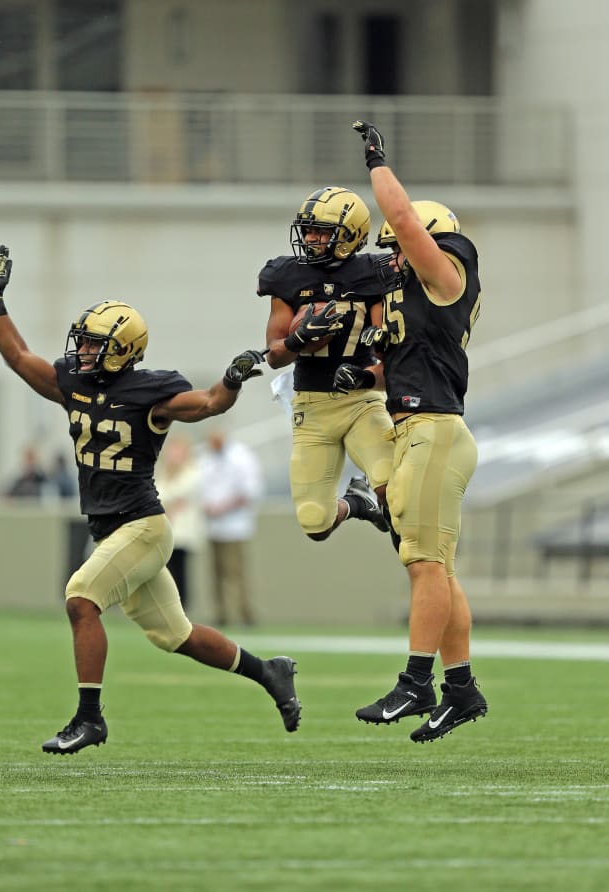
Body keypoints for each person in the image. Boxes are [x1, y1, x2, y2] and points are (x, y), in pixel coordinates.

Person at [0, 244, 301, 754]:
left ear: (124, 350)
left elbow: (211, 403)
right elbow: (19, 357)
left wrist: (233, 379)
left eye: (94, 344)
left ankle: (89, 719)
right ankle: (270, 672)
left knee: (81, 599)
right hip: (112, 529)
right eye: (81, 342)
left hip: (143, 527)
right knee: (177, 636)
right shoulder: (75, 383)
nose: (82, 351)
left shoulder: (152, 393)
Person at [335, 121, 486, 743]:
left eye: (400, 243)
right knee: (439, 571)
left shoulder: (448, 274)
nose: (392, 254)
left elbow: (399, 215)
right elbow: (396, 368)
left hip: (435, 430)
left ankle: (416, 681)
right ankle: (461, 690)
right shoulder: (413, 305)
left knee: (424, 564)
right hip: (416, 426)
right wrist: (361, 376)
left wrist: (376, 163)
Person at [257, 185, 397, 546]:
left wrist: (365, 377)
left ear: (352, 236)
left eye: (322, 231)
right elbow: (274, 356)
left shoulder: (373, 274)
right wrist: (297, 341)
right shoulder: (287, 276)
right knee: (315, 522)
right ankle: (356, 503)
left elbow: (391, 362)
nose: (311, 238)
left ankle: (413, 546)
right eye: (308, 229)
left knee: (392, 484)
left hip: (359, 403)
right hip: (311, 407)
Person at [199, 429, 263, 626]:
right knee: (216, 574)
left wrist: (223, 507)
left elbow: (250, 491)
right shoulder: (205, 458)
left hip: (235, 526)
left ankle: (245, 614)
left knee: (236, 573)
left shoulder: (241, 457)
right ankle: (221, 614)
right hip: (213, 526)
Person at [155, 435, 203, 610]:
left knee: (180, 572)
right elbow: (159, 495)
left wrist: (170, 501)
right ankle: (166, 608)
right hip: (163, 531)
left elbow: (180, 492)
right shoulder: (162, 472)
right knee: (164, 572)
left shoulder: (192, 471)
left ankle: (181, 608)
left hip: (182, 533)